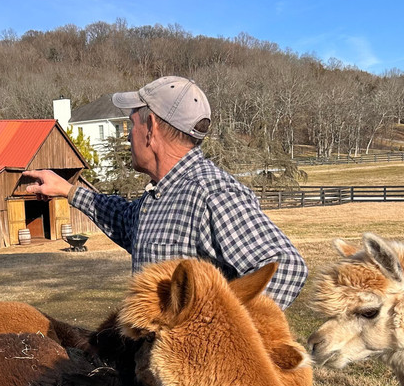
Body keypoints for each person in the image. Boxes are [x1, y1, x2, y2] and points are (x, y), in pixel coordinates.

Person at [24, 75, 307, 309]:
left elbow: (286, 268)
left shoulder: (210, 192)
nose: (128, 135)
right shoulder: (162, 194)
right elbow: (122, 219)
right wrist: (67, 190)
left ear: (151, 128)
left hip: (190, 373)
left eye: (132, 125)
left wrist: (218, 339)